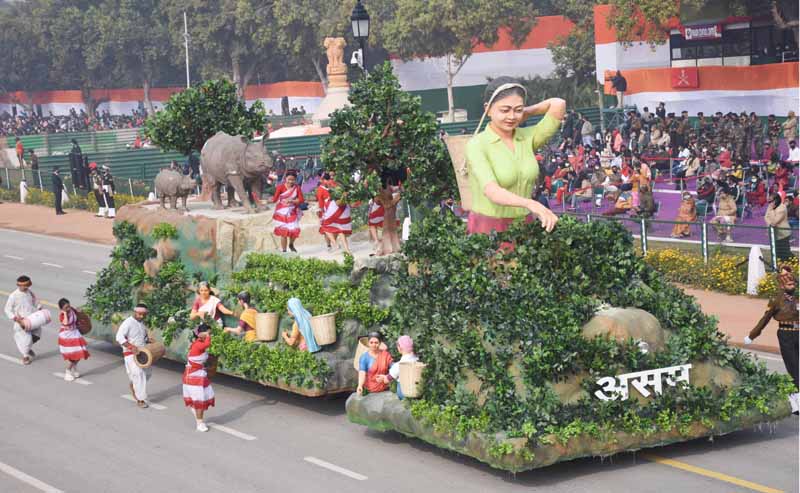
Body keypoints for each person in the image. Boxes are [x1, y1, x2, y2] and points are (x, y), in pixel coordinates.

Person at [464, 77, 564, 235]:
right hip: (489, 228)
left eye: (517, 110)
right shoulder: (477, 145)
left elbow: (558, 104)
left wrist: (526, 113)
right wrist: (531, 204)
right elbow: (492, 191)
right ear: (488, 109)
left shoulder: (527, 137)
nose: (511, 116)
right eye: (504, 110)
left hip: (524, 226)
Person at [745, 266, 799, 414]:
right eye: (789, 284)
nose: (792, 286)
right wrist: (752, 335)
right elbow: (765, 318)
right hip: (785, 334)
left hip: (798, 333)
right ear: (782, 285)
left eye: (794, 283)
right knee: (794, 368)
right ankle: (795, 402)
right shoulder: (776, 300)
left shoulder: (798, 297)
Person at [115, 304, 151, 408]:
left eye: (144, 314)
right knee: (139, 374)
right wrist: (131, 347)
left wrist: (148, 340)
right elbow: (119, 337)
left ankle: (133, 383)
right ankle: (140, 399)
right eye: (140, 314)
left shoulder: (142, 323)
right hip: (131, 354)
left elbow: (141, 338)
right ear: (134, 312)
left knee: (148, 373)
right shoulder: (128, 322)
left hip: (142, 353)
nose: (142, 316)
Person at [183, 323, 215, 432]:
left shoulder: (199, 342)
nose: (210, 335)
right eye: (208, 333)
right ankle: (199, 423)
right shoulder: (198, 344)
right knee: (200, 401)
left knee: (203, 398)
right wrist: (207, 336)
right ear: (201, 334)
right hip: (193, 376)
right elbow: (207, 344)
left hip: (199, 374)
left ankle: (197, 413)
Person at [4, 275, 42, 365]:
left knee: (37, 335)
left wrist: (39, 307)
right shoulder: (13, 296)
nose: (26, 287)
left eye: (27, 285)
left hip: (32, 319)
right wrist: (15, 318)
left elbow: (35, 302)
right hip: (21, 321)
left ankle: (27, 348)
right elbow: (7, 309)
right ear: (19, 285)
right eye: (24, 286)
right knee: (27, 339)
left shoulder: (30, 293)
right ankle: (25, 356)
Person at [272, 170, 304, 253]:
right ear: (285, 178)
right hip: (281, 213)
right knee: (284, 233)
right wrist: (264, 201)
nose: (290, 181)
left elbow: (301, 200)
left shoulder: (297, 188)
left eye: (292, 180)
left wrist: (292, 201)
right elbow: (274, 199)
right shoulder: (280, 187)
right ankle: (284, 251)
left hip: (292, 211)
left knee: (294, 230)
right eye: (289, 179)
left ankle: (291, 244)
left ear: (295, 179)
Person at [57, 298, 89, 381]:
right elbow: (66, 323)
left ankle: (74, 367)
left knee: (81, 352)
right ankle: (68, 370)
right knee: (74, 355)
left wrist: (80, 312)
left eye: (69, 306)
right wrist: (64, 313)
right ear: (62, 309)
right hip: (67, 336)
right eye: (66, 308)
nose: (68, 308)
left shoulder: (72, 310)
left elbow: (79, 316)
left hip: (75, 333)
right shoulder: (62, 315)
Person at [378, 335, 418, 400]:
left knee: (394, 368)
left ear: (400, 348)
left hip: (403, 394)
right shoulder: (416, 359)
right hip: (416, 391)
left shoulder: (399, 365)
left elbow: (386, 380)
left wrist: (383, 377)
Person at [765, 193, 792, 261]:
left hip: (783, 234)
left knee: (785, 253)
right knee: (777, 253)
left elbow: (775, 222)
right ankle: (780, 267)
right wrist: (769, 224)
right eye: (769, 201)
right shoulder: (771, 206)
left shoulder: (782, 208)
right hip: (774, 234)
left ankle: (796, 264)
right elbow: (765, 217)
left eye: (771, 201)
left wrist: (770, 212)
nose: (769, 203)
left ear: (776, 200)